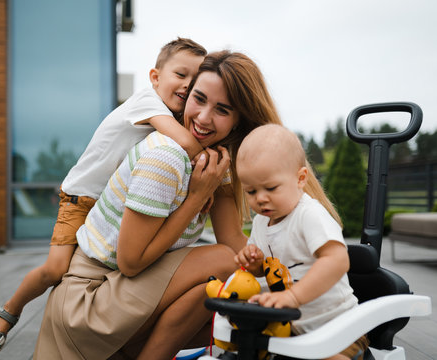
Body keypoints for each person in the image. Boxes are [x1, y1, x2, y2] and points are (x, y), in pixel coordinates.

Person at [32, 50, 341, 360]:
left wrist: (310, 276)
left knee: (224, 294)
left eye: (222, 109)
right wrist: (195, 198)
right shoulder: (166, 156)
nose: (204, 117)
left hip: (120, 294)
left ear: (237, 123)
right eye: (199, 99)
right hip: (89, 300)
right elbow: (131, 262)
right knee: (225, 266)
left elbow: (236, 244)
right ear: (187, 95)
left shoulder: (214, 162)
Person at [0, 37, 207, 356]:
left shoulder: (168, 115)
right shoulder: (148, 103)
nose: (186, 85)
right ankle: (9, 311)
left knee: (97, 272)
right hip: (80, 198)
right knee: (56, 269)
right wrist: (215, 167)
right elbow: (187, 143)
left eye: (194, 81)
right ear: (155, 77)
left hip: (106, 206)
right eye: (180, 75)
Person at [234, 124, 369, 360]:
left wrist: (293, 297)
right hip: (289, 331)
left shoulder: (309, 215)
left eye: (271, 188)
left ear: (300, 178)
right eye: (251, 191)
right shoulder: (260, 223)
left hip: (337, 329)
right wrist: (253, 263)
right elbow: (263, 270)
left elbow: (337, 260)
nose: (260, 199)